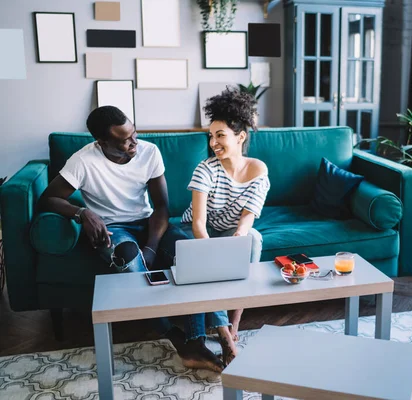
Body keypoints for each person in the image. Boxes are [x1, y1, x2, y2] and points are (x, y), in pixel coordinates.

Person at [38, 106, 235, 372]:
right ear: (102, 142)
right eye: (125, 140)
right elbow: (48, 198)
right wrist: (82, 213)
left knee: (193, 257)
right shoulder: (83, 161)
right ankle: (178, 341)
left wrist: (152, 247)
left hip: (148, 223)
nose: (134, 142)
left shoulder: (148, 152)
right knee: (129, 260)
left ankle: (196, 341)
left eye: (134, 133)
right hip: (113, 229)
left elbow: (162, 208)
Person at [181, 88, 270, 346]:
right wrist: (212, 250)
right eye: (211, 136)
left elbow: (247, 218)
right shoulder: (205, 169)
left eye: (220, 135)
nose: (213, 143)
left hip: (228, 230)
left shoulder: (258, 170)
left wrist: (238, 238)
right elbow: (198, 222)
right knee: (206, 259)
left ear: (240, 137)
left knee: (253, 238)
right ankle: (222, 332)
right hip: (194, 229)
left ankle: (235, 321)